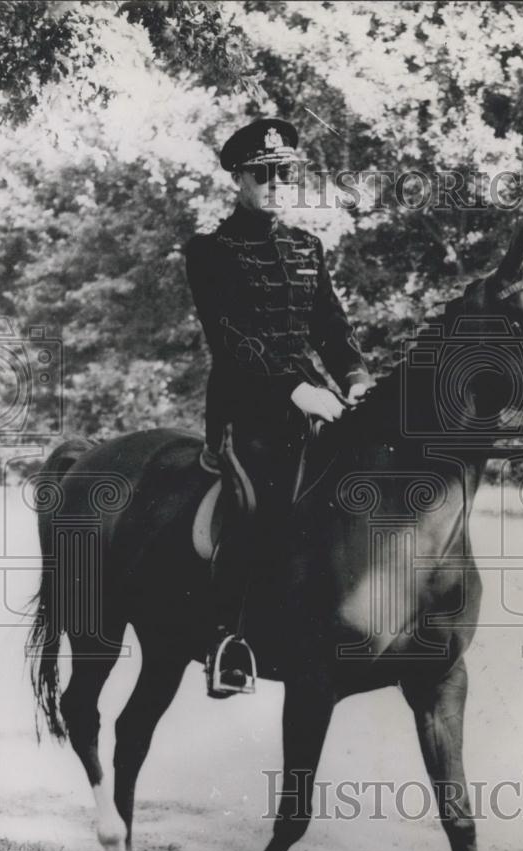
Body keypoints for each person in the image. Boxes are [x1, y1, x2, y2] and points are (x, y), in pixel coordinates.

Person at [185, 117, 373, 696]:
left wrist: (357, 379)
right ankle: (227, 640)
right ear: (239, 179)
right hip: (249, 411)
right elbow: (233, 338)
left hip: (318, 402)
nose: (275, 183)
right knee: (260, 504)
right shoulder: (210, 250)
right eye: (262, 174)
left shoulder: (306, 248)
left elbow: (331, 328)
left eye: (284, 174)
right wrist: (297, 390)